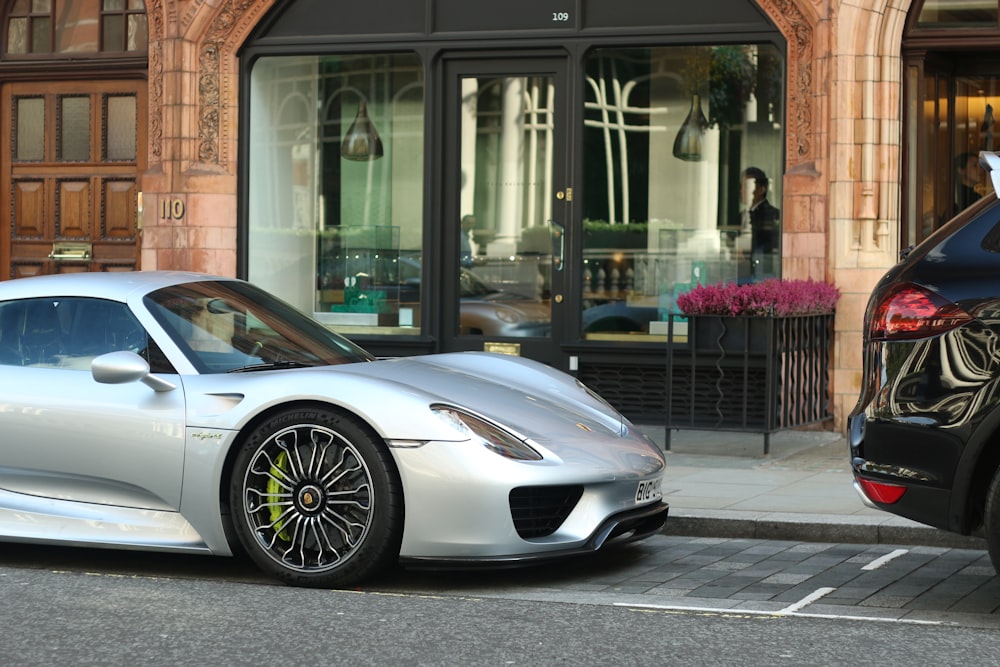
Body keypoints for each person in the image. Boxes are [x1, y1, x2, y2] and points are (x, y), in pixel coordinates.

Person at [740, 166, 780, 279]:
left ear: (761, 189)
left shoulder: (771, 214)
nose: (742, 190)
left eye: (747, 186)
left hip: (764, 267)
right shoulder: (743, 213)